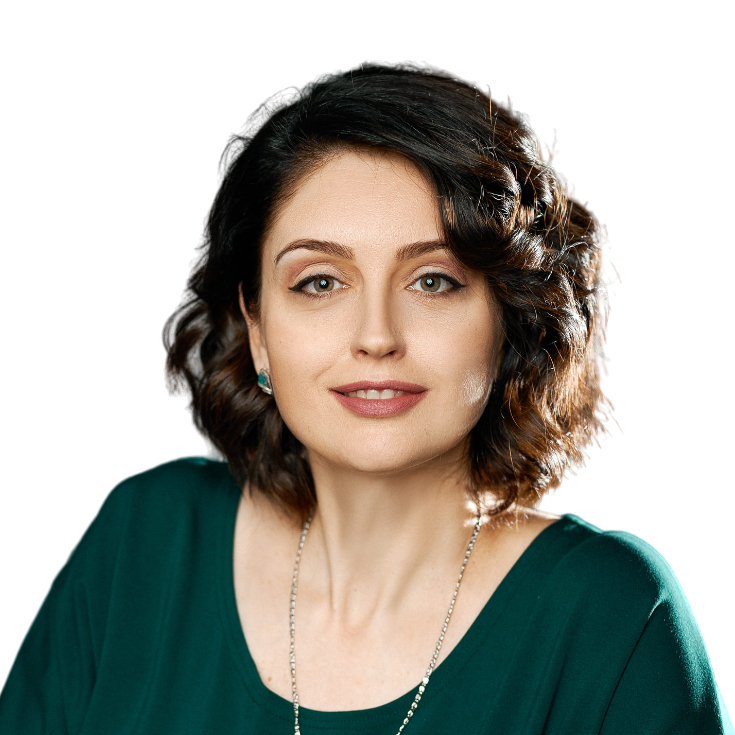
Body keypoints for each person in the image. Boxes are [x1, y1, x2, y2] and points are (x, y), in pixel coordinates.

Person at [0, 63, 731, 734]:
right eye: (319, 281)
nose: (376, 336)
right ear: (256, 327)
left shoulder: (613, 618)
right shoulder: (145, 542)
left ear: (507, 318)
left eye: (433, 281)